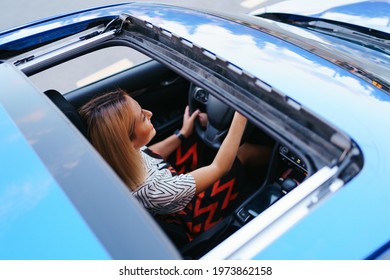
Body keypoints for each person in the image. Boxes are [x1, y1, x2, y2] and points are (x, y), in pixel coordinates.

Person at [79, 89, 255, 243]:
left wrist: (182, 134)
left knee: (195, 141)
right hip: (193, 214)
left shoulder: (115, 157)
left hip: (170, 182)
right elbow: (220, 168)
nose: (149, 113)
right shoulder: (156, 191)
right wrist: (240, 115)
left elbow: (149, 153)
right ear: (128, 142)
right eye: (142, 117)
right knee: (244, 152)